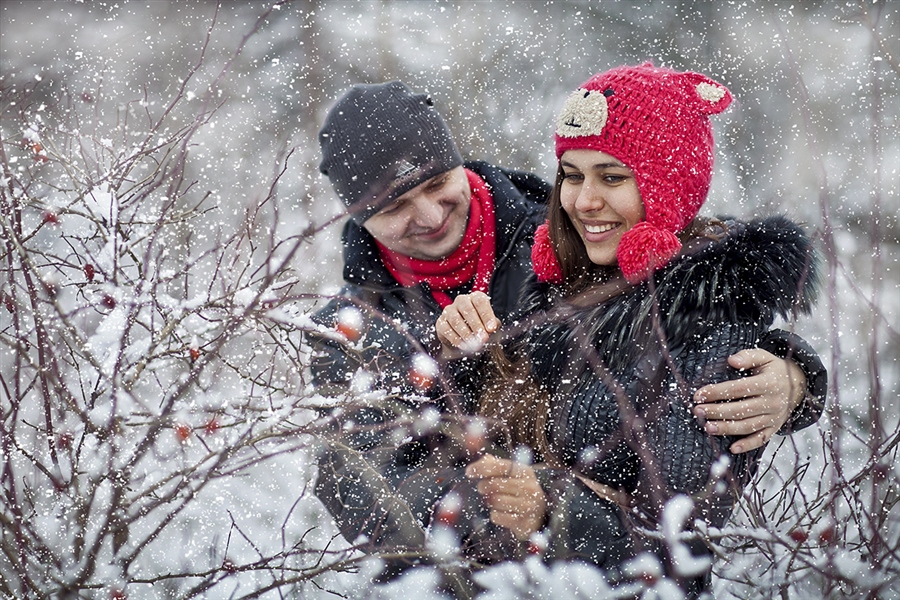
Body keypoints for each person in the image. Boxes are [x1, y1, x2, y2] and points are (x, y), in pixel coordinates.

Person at [307, 81, 826, 578]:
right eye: (395, 207)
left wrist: (794, 374)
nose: (428, 215)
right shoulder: (349, 334)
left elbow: (684, 293)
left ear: (458, 163)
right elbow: (363, 489)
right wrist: (446, 378)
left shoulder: (563, 240)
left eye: (438, 183)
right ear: (359, 217)